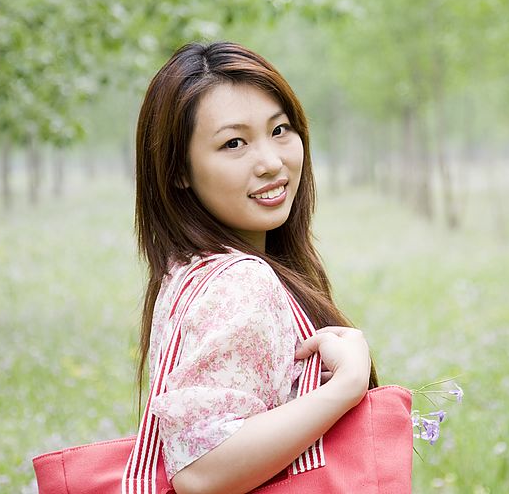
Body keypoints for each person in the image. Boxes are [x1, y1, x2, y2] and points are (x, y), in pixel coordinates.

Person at [133, 41, 378, 494]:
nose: (271, 162)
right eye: (233, 143)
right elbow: (200, 471)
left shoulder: (186, 272)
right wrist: (345, 386)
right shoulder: (240, 280)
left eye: (280, 130)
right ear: (178, 170)